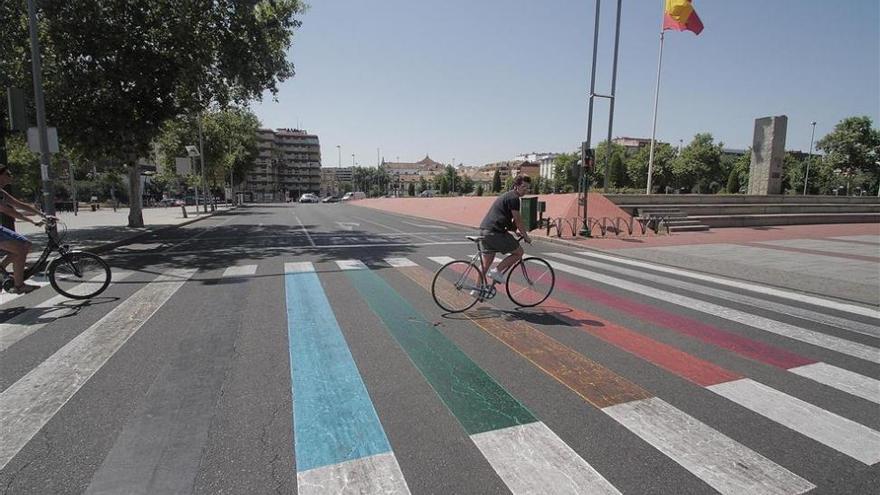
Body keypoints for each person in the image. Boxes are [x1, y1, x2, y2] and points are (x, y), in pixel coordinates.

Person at [478, 174, 532, 284]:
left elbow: (504, 217)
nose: (526, 190)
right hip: (495, 232)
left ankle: (477, 289)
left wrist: (515, 231)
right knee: (519, 252)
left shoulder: (507, 196)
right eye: (523, 187)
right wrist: (525, 236)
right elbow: (518, 219)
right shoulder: (514, 198)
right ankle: (496, 271)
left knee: (486, 263)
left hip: (485, 230)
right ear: (516, 186)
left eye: (528, 187)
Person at [0, 165, 45, 294]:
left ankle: (2, 270)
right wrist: (32, 221)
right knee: (20, 248)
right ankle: (19, 285)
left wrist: (43, 215)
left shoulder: (2, 192)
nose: (11, 176)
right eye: (8, 174)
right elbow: (7, 210)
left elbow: (19, 204)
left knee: (26, 245)